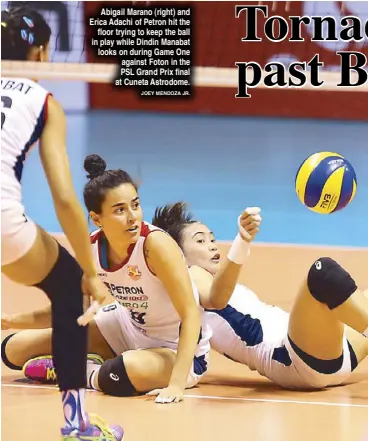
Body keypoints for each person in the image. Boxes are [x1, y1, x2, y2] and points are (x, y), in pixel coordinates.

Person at [1, 7, 123, 440]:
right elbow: (66, 199)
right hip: (3, 225)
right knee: (69, 287)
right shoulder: (45, 104)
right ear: (42, 51)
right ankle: (77, 424)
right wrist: (91, 271)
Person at [2, 154, 212, 403]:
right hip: (123, 328)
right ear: (97, 218)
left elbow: (190, 314)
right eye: (120, 210)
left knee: (118, 375)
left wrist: (176, 385)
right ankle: (87, 362)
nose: (133, 216)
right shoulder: (91, 248)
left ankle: (82, 371)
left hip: (175, 349)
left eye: (135, 205)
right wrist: (10, 320)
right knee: (12, 350)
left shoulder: (156, 246)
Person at [152, 202, 368, 389]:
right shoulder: (192, 277)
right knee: (323, 272)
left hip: (332, 351)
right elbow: (214, 297)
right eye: (200, 241)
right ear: (178, 256)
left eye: (212, 239)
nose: (211, 246)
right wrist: (242, 242)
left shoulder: (210, 283)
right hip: (296, 359)